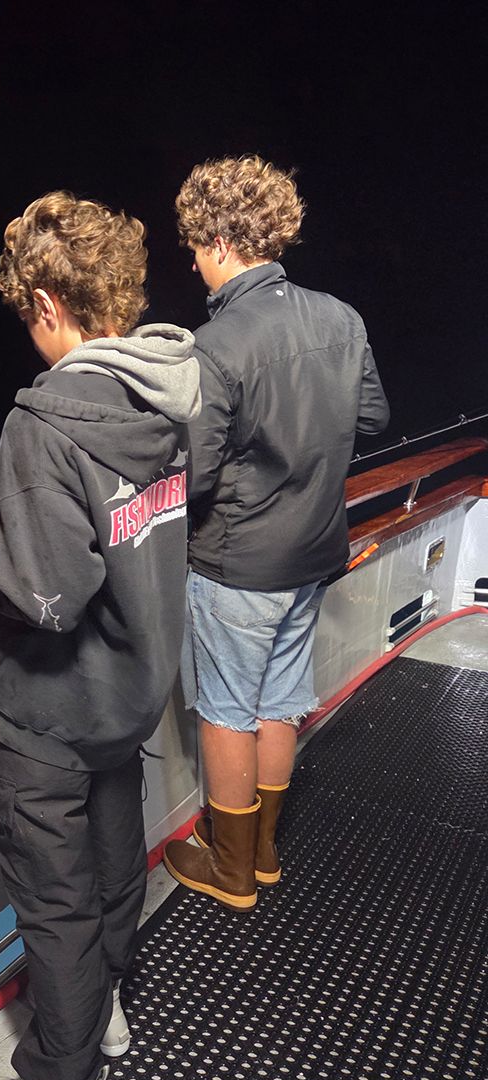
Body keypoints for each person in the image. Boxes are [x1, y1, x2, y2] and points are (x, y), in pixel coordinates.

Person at [0, 190, 201, 1080]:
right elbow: (119, 534)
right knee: (111, 874)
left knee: (55, 903)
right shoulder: (169, 393)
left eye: (24, 312)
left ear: (47, 301)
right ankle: (104, 1014)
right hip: (129, 698)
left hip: (51, 715)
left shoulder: (43, 425)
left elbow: (44, 596)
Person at [163, 155, 390, 911]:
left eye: (195, 246)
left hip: (238, 566)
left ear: (223, 241)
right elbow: (370, 421)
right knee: (280, 701)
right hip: (313, 555)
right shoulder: (341, 317)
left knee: (227, 710)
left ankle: (230, 870)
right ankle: (261, 852)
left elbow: (193, 475)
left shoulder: (214, 345)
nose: (193, 262)